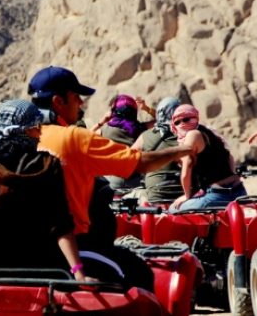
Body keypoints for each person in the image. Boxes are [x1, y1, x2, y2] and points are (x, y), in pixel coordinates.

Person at [27, 66, 192, 290]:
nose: (81, 103)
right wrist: (183, 150)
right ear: (58, 101)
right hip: (72, 249)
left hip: (24, 248)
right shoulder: (74, 138)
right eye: (76, 97)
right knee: (138, 273)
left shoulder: (19, 136)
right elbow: (141, 163)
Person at [0, 99, 91, 281]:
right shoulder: (48, 165)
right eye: (36, 126)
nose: (40, 133)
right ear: (22, 130)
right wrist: (79, 273)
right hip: (43, 270)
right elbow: (60, 225)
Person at [168, 104, 248, 212]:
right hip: (239, 191)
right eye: (177, 122)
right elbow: (230, 157)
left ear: (195, 118)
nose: (182, 124)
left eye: (186, 119)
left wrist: (186, 196)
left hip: (217, 196)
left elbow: (187, 168)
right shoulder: (210, 132)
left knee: (173, 209)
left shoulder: (192, 135)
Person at [89, 94, 154, 190]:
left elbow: (84, 138)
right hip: (135, 180)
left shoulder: (104, 130)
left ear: (114, 111)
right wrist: (146, 108)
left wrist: (100, 123)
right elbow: (163, 120)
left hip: (111, 181)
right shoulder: (140, 128)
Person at [131, 96, 185, 205]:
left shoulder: (147, 136)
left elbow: (128, 159)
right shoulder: (192, 135)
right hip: (186, 196)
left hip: (156, 198)